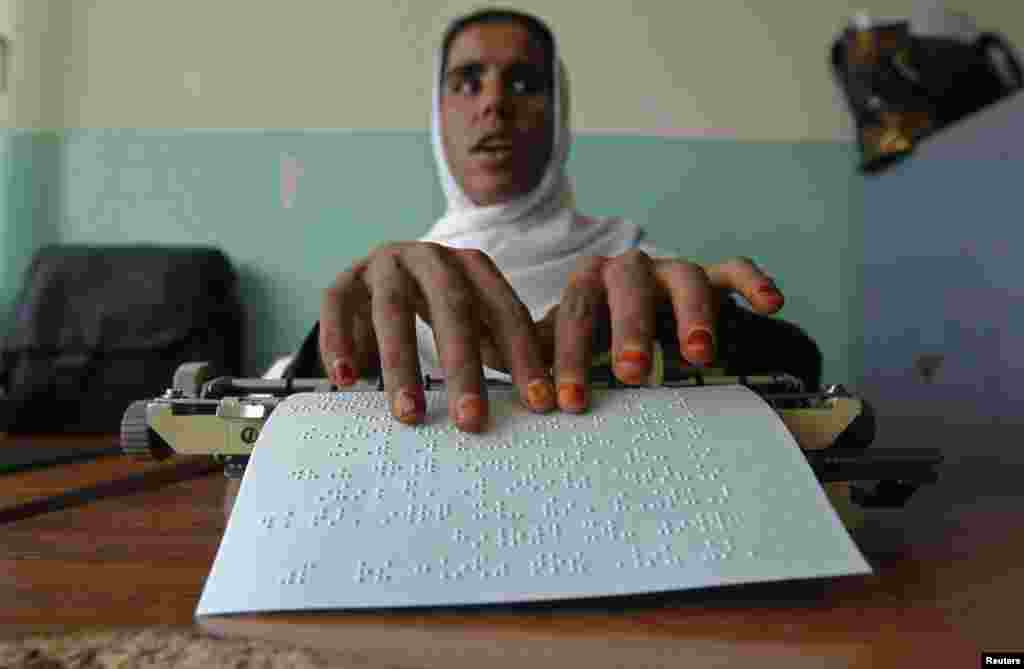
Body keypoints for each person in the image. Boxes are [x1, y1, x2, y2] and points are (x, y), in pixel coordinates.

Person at [287, 8, 820, 432]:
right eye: (467, 82)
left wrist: (702, 333)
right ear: (437, 113)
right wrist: (333, 354)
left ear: (559, 111)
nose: (494, 104)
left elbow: (802, 376)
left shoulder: (635, 267)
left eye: (523, 84)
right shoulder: (388, 291)